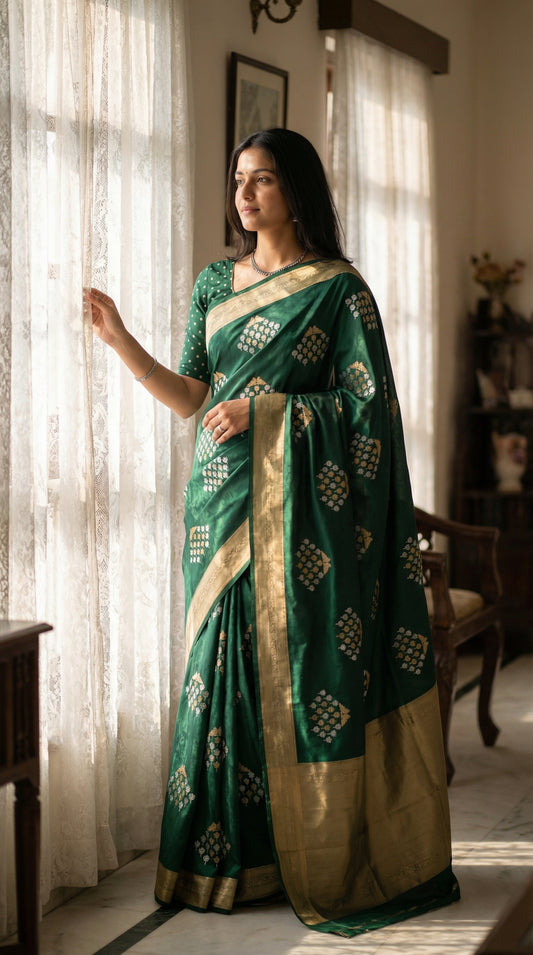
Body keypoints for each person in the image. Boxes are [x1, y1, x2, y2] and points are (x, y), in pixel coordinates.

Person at [86, 128, 459, 937]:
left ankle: (302, 853)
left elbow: (368, 418)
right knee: (215, 674)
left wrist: (269, 412)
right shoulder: (214, 283)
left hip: (300, 516)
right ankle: (220, 859)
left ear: (296, 190)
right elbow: (192, 396)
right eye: (237, 179)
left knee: (286, 668)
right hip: (217, 507)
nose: (244, 194)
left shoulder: (338, 291)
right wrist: (122, 345)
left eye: (261, 180)